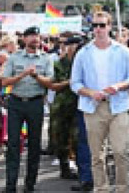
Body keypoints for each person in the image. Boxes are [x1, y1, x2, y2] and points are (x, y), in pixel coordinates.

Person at [70, 12, 129, 193]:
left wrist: (118, 86)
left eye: (102, 25)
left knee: (120, 151)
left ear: (109, 27)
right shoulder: (83, 53)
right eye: (95, 26)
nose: (98, 29)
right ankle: (101, 188)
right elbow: (74, 83)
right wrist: (90, 93)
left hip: (118, 106)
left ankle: (122, 189)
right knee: (96, 155)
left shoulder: (123, 52)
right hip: (92, 108)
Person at [0, 26, 55, 193]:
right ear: (24, 39)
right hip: (16, 103)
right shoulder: (14, 58)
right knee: (13, 145)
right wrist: (22, 75)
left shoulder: (46, 59)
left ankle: (30, 185)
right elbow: (4, 82)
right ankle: (10, 185)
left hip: (35, 103)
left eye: (37, 36)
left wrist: (36, 76)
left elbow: (51, 82)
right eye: (31, 36)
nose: (35, 39)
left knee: (34, 145)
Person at [49, 35, 81, 181]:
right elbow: (54, 85)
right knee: (60, 138)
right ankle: (64, 167)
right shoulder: (59, 64)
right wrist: (71, 82)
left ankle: (81, 169)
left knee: (77, 138)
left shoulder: (82, 63)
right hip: (61, 106)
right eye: (71, 45)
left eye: (76, 45)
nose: (74, 48)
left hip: (78, 105)